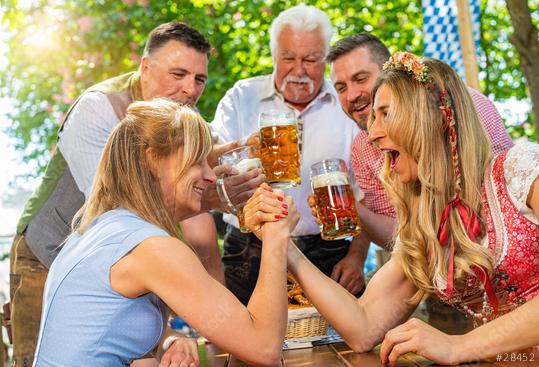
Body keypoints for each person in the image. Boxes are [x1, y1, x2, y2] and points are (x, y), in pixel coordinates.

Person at [246, 52, 539, 365]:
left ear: (434, 117)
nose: (372, 133)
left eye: (386, 113)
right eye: (374, 117)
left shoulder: (517, 170)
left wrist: (461, 346)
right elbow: (363, 327)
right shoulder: (426, 222)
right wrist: (283, 245)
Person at [7, 22, 245, 367]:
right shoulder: (98, 108)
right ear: (145, 68)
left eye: (199, 79)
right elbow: (115, 209)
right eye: (178, 74)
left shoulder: (183, 126)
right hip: (48, 255)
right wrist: (208, 197)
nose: (189, 89)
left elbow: (195, 228)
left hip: (118, 265)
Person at [33, 99, 297, 367]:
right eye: (197, 161)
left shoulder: (97, 230)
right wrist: (276, 237)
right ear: (153, 160)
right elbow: (264, 349)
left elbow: (106, 331)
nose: (210, 175)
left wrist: (170, 340)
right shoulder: (152, 247)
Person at [314, 33, 514, 316]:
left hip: (506, 271)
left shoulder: (461, 105)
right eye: (341, 87)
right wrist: (352, 208)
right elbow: (400, 233)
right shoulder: (362, 147)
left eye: (360, 79)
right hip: (443, 289)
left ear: (391, 75)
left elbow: (507, 193)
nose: (351, 95)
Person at [211, 4, 360, 305]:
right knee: (246, 345)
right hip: (249, 248)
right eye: (288, 58)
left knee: (339, 344)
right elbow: (207, 168)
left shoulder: (347, 105)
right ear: (274, 55)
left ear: (326, 59)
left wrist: (357, 256)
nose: (298, 70)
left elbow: (371, 192)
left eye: (310, 59)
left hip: (328, 248)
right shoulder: (242, 97)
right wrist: (242, 152)